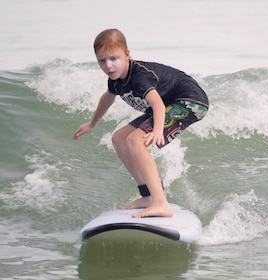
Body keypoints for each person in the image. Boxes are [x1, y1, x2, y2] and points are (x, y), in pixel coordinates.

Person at [73, 29, 209, 218]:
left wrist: (158, 130)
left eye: (114, 58)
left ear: (127, 54)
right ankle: (147, 196)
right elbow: (108, 97)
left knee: (135, 140)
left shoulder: (139, 77)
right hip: (168, 103)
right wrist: (92, 123)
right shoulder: (115, 79)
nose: (109, 65)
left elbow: (158, 105)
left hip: (191, 101)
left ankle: (161, 203)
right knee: (119, 138)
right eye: (102, 61)